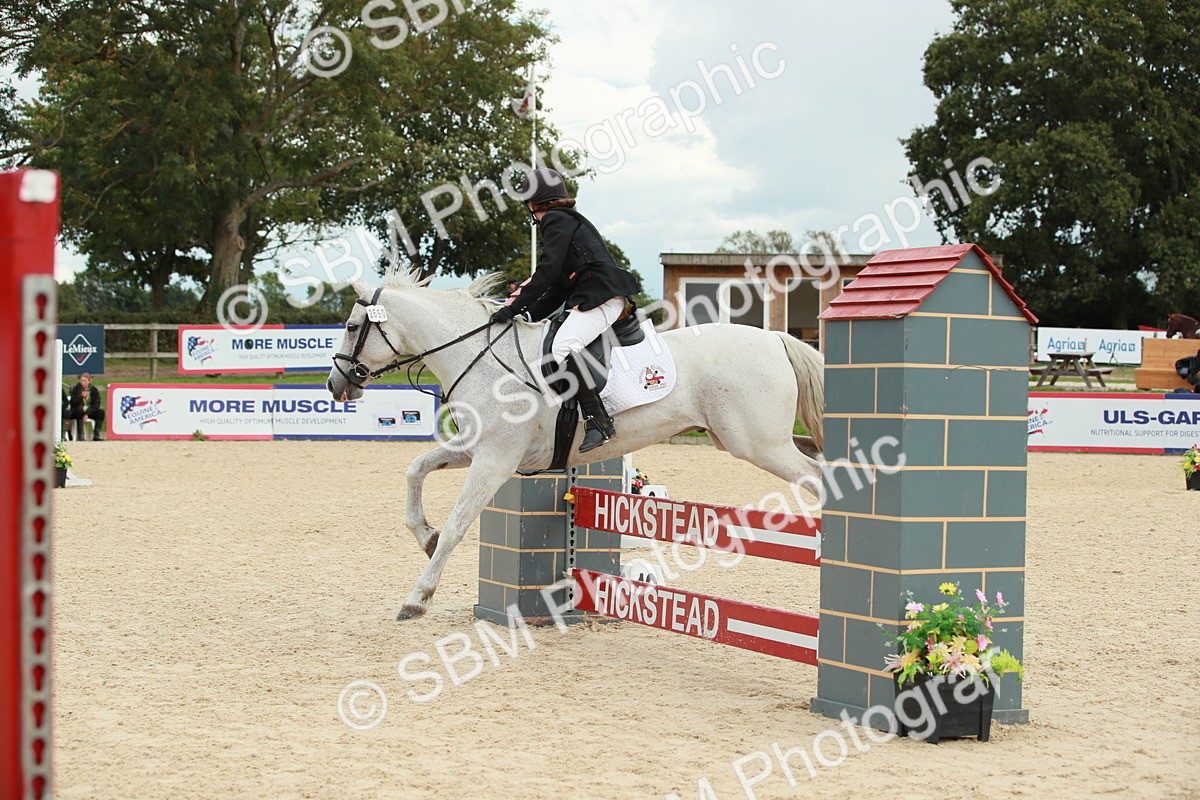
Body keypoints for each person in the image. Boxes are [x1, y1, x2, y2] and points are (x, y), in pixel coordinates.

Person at [490, 168, 640, 452]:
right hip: (592, 293)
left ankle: (599, 423)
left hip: (600, 295)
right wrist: (528, 316)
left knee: (563, 348)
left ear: (534, 203)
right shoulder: (565, 220)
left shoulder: (556, 220)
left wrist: (512, 308)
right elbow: (557, 287)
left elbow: (545, 272)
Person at [68, 373, 106, 441]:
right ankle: (81, 435)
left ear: (89, 381)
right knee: (79, 410)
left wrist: (87, 413)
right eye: (81, 380)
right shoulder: (76, 389)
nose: (83, 382)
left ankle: (96, 435)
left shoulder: (93, 390)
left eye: (85, 381)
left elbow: (96, 404)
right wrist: (80, 396)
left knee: (101, 412)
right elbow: (73, 403)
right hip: (77, 410)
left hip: (89, 410)